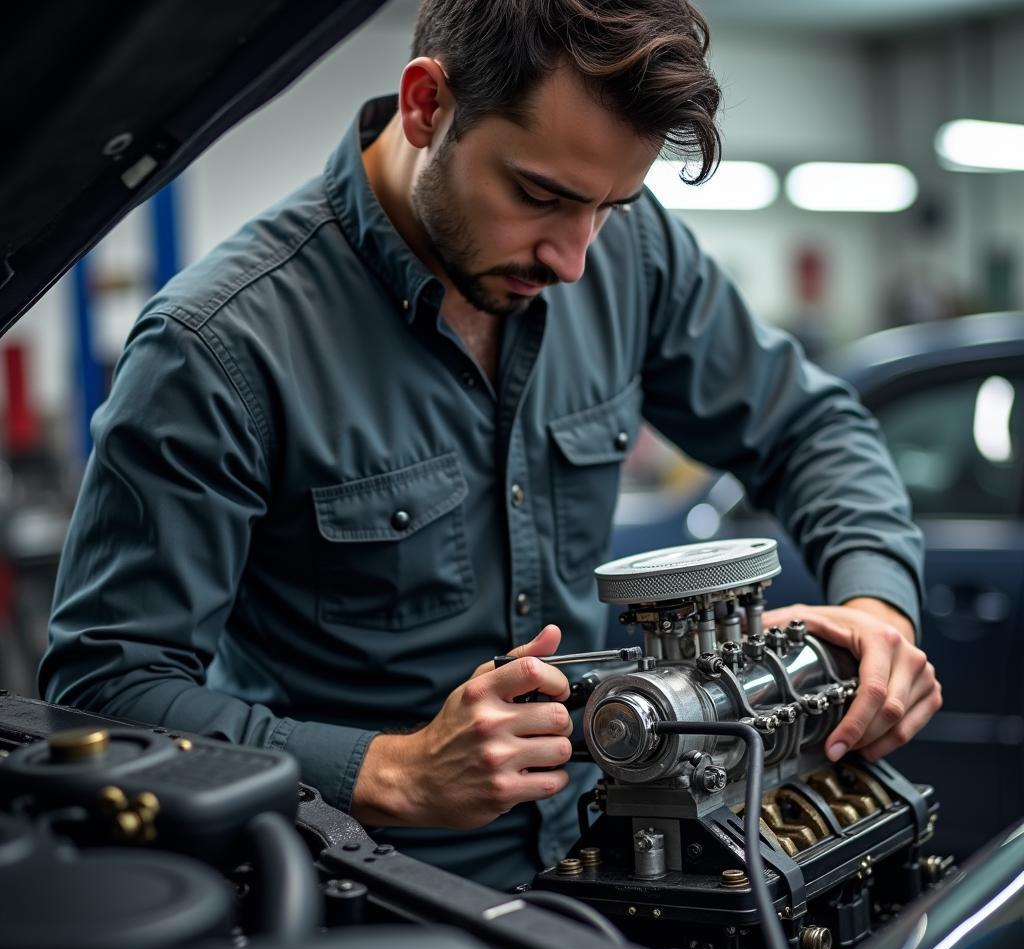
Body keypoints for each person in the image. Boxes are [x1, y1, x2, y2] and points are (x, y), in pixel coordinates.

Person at [40, 0, 941, 889]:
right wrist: (389, 771)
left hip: (615, 868)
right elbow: (106, 692)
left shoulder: (634, 256)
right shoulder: (219, 346)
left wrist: (877, 609)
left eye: (610, 206)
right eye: (539, 195)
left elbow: (807, 426)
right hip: (373, 900)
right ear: (428, 104)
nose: (575, 260)